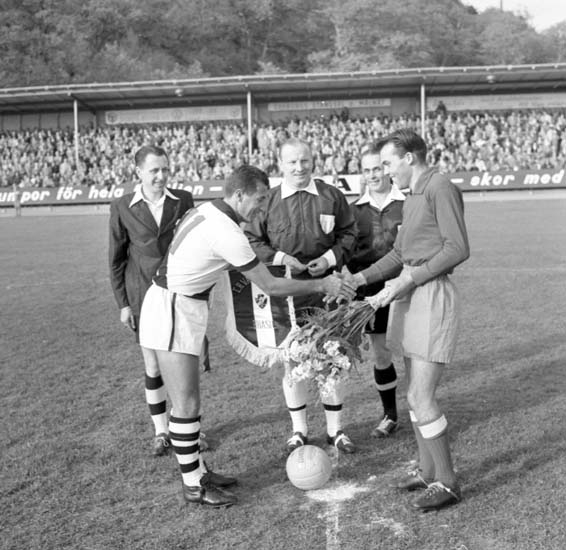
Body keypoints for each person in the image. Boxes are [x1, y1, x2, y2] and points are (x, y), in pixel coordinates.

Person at [138, 165, 355, 508]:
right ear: (239, 194)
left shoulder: (206, 210)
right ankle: (193, 484)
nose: (262, 207)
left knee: (190, 401)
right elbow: (270, 285)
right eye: (259, 198)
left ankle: (199, 472)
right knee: (186, 403)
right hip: (173, 309)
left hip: (176, 303)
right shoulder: (226, 230)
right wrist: (322, 284)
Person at [347, 129, 470, 511]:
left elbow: (458, 248)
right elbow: (399, 254)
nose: (385, 170)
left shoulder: (439, 187)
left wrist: (411, 278)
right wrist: (359, 279)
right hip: (410, 295)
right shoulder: (414, 196)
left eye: (388, 163)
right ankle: (427, 470)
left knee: (421, 395)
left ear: (410, 158)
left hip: (430, 294)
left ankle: (447, 481)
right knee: (413, 392)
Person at [245, 138, 359, 454]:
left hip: (329, 292)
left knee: (332, 359)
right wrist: (281, 258)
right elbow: (251, 239)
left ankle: (336, 430)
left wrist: (330, 258)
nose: (299, 167)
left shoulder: (331, 196)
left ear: (313, 161)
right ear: (280, 164)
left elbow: (350, 233)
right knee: (291, 361)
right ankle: (299, 430)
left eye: (304, 161)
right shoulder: (268, 201)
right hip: (287, 295)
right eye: (292, 162)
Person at [109, 145, 210, 457]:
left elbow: (197, 243)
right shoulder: (122, 206)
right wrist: (124, 304)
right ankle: (161, 432)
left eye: (165, 169)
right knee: (153, 365)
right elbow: (116, 259)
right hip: (142, 296)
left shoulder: (183, 200)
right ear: (138, 171)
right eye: (154, 170)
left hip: (181, 294)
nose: (161, 176)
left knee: (184, 365)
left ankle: (189, 427)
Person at [347, 141, 405, 438]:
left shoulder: (408, 202)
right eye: (366, 170)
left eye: (377, 168)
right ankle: (390, 415)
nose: (372, 175)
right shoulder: (353, 211)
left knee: (412, 350)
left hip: (407, 286)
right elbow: (345, 252)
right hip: (370, 291)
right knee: (380, 353)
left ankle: (422, 406)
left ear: (387, 168)